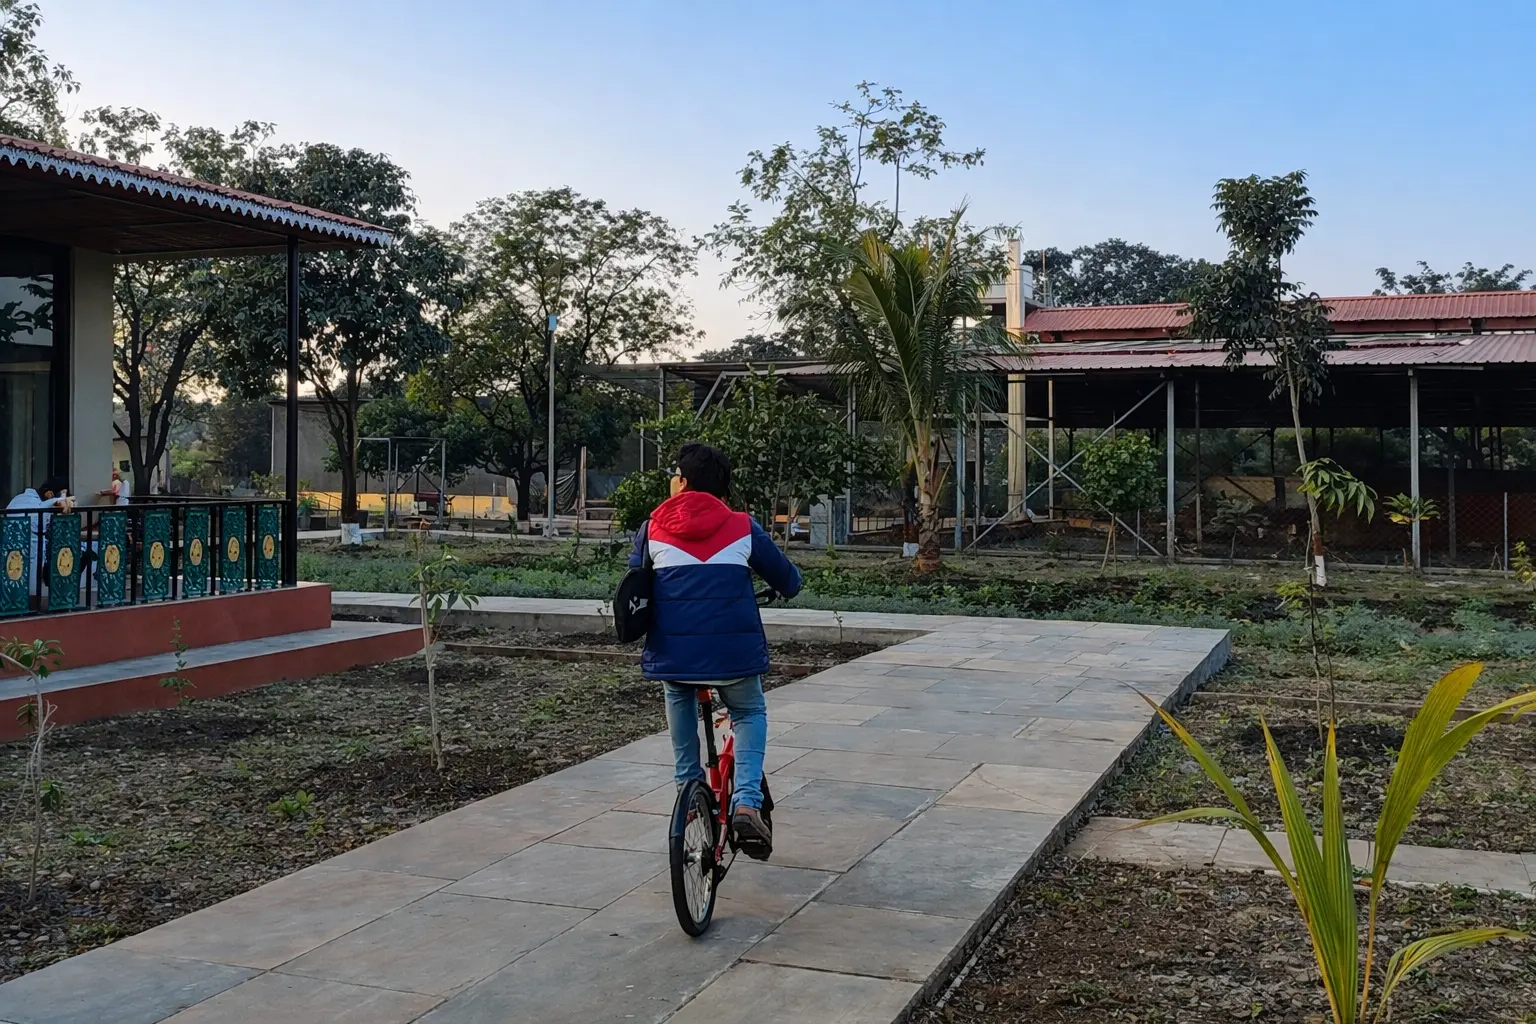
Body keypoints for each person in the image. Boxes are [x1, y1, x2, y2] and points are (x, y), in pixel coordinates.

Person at [630, 442, 801, 859]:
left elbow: (635, 583)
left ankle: (686, 788)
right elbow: (790, 582)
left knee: (678, 691)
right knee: (749, 711)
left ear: (682, 483)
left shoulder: (652, 527)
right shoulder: (743, 526)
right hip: (733, 656)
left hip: (675, 655)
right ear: (723, 490)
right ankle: (746, 802)